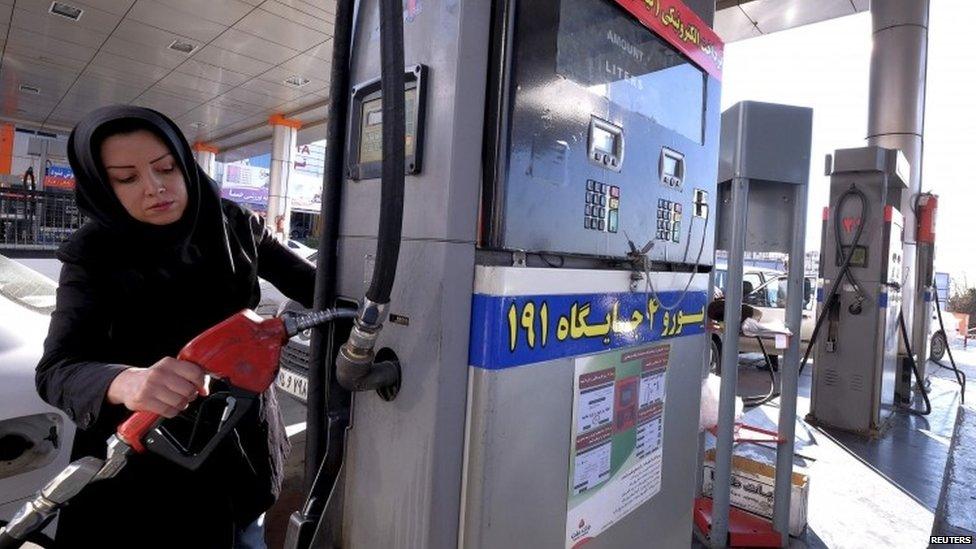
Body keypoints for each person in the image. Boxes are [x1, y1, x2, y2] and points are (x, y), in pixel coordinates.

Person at [35, 106, 315, 548]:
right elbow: (57, 369)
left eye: (166, 168)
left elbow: (318, 285)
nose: (155, 187)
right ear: (102, 187)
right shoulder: (93, 256)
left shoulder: (234, 224)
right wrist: (127, 381)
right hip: (148, 478)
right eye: (127, 178)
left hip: (244, 450)